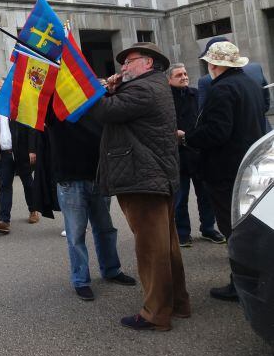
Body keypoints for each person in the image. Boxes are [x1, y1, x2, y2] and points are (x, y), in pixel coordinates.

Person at [91, 42, 190, 331]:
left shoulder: (144, 88)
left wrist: (89, 88)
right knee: (167, 246)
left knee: (151, 250)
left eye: (129, 61)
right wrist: (111, 87)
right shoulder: (153, 85)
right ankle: (179, 303)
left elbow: (104, 111)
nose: (122, 67)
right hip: (153, 177)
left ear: (148, 63)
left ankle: (155, 314)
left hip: (143, 180)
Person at [180, 41, 266, 301]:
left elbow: (217, 132)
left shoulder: (222, 89)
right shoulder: (249, 83)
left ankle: (240, 285)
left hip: (227, 171)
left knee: (234, 230)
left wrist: (188, 137)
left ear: (214, 65)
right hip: (249, 165)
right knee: (250, 227)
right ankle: (256, 279)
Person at [47, 112, 136, 300]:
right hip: (70, 180)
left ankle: (111, 270)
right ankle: (80, 280)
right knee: (76, 234)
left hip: (99, 175)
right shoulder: (52, 105)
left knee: (106, 229)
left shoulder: (95, 99)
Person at [166, 63, 225, 247]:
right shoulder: (165, 98)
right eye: (178, 75)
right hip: (177, 156)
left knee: (205, 195)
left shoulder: (196, 94)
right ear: (169, 79)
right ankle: (182, 233)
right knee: (180, 197)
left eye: (185, 73)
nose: (184, 76)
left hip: (198, 153)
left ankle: (208, 228)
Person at [0, 77, 39, 234]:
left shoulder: (17, 104)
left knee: (28, 183)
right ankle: (4, 220)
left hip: (21, 152)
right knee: (5, 186)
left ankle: (33, 210)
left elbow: (31, 127)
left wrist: (32, 149)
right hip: (3, 154)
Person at [197, 37, 271, 130]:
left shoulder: (207, 81)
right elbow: (266, 102)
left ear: (212, 64)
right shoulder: (255, 70)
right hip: (262, 131)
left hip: (234, 137)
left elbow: (203, 114)